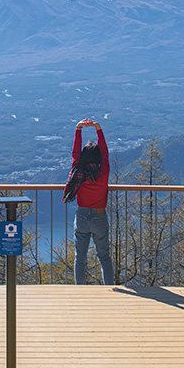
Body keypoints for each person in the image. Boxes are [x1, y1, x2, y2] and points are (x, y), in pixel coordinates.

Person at [65, 118, 115, 285]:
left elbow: (75, 154)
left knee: (80, 257)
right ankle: (109, 289)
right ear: (98, 157)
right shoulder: (103, 172)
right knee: (104, 257)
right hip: (99, 217)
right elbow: (105, 152)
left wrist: (78, 129)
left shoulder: (78, 170)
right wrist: (98, 129)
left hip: (81, 216)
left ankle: (80, 290)